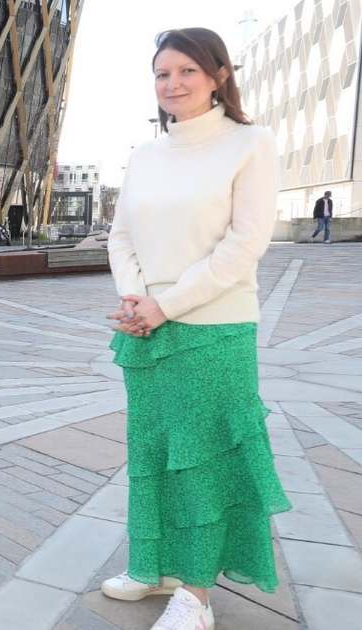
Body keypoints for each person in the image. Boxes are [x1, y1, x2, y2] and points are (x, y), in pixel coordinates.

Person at [103, 28, 290, 630]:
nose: (172, 84)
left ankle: (197, 595)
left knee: (202, 463)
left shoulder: (250, 143)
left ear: (217, 76)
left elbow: (244, 246)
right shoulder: (144, 153)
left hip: (215, 328)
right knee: (151, 456)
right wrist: (136, 300)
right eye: (162, 74)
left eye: (186, 71)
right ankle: (152, 566)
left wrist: (167, 304)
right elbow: (121, 235)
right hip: (146, 329)